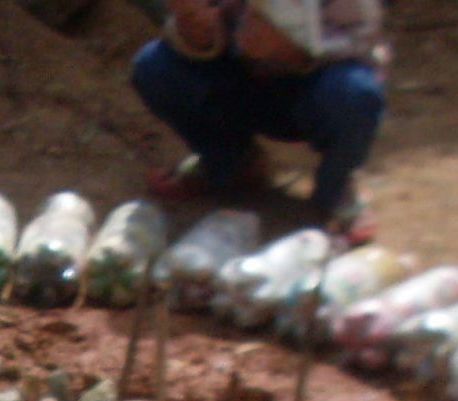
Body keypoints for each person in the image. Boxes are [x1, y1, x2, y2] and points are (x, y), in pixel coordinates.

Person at [131, 0, 387, 242]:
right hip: (239, 86)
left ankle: (337, 188)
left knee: (357, 93)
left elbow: (364, 43)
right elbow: (197, 38)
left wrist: (297, 53)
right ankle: (231, 163)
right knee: (154, 68)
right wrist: (193, 29)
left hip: (315, 92)